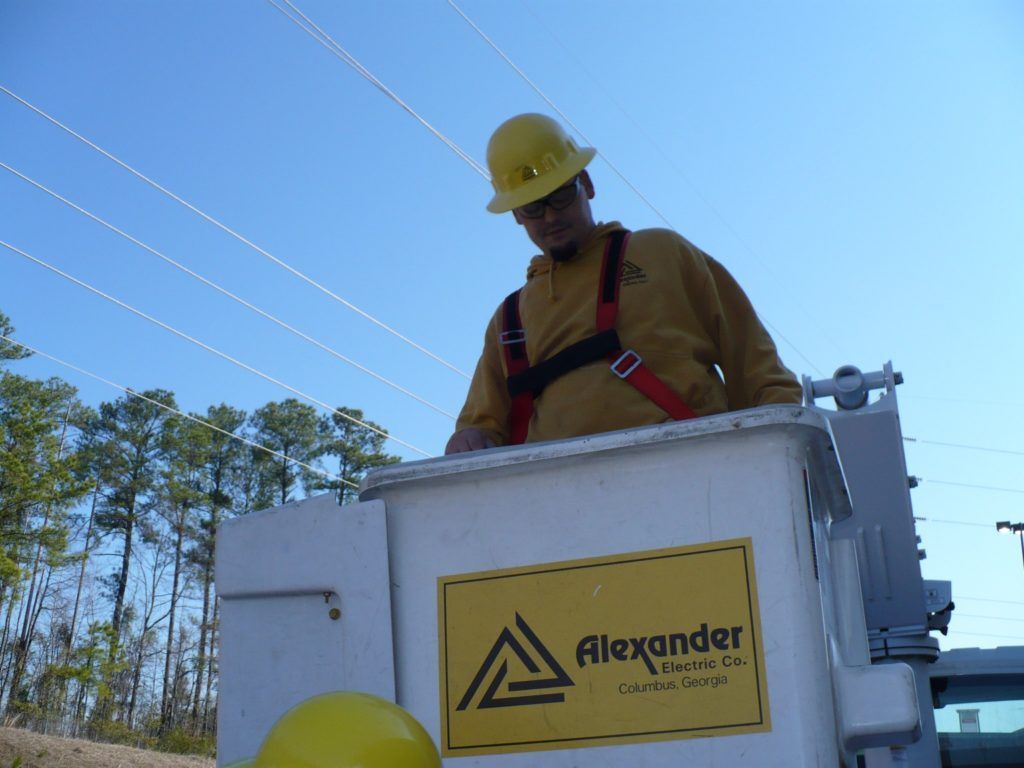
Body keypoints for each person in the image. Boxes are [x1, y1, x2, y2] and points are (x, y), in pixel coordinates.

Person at [445, 113, 800, 455]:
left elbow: (757, 366)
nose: (551, 217)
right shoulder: (509, 320)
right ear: (516, 215)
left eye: (560, 195)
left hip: (695, 465)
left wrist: (778, 448)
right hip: (560, 498)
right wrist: (470, 438)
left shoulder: (662, 252)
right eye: (533, 207)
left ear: (587, 184)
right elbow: (480, 430)